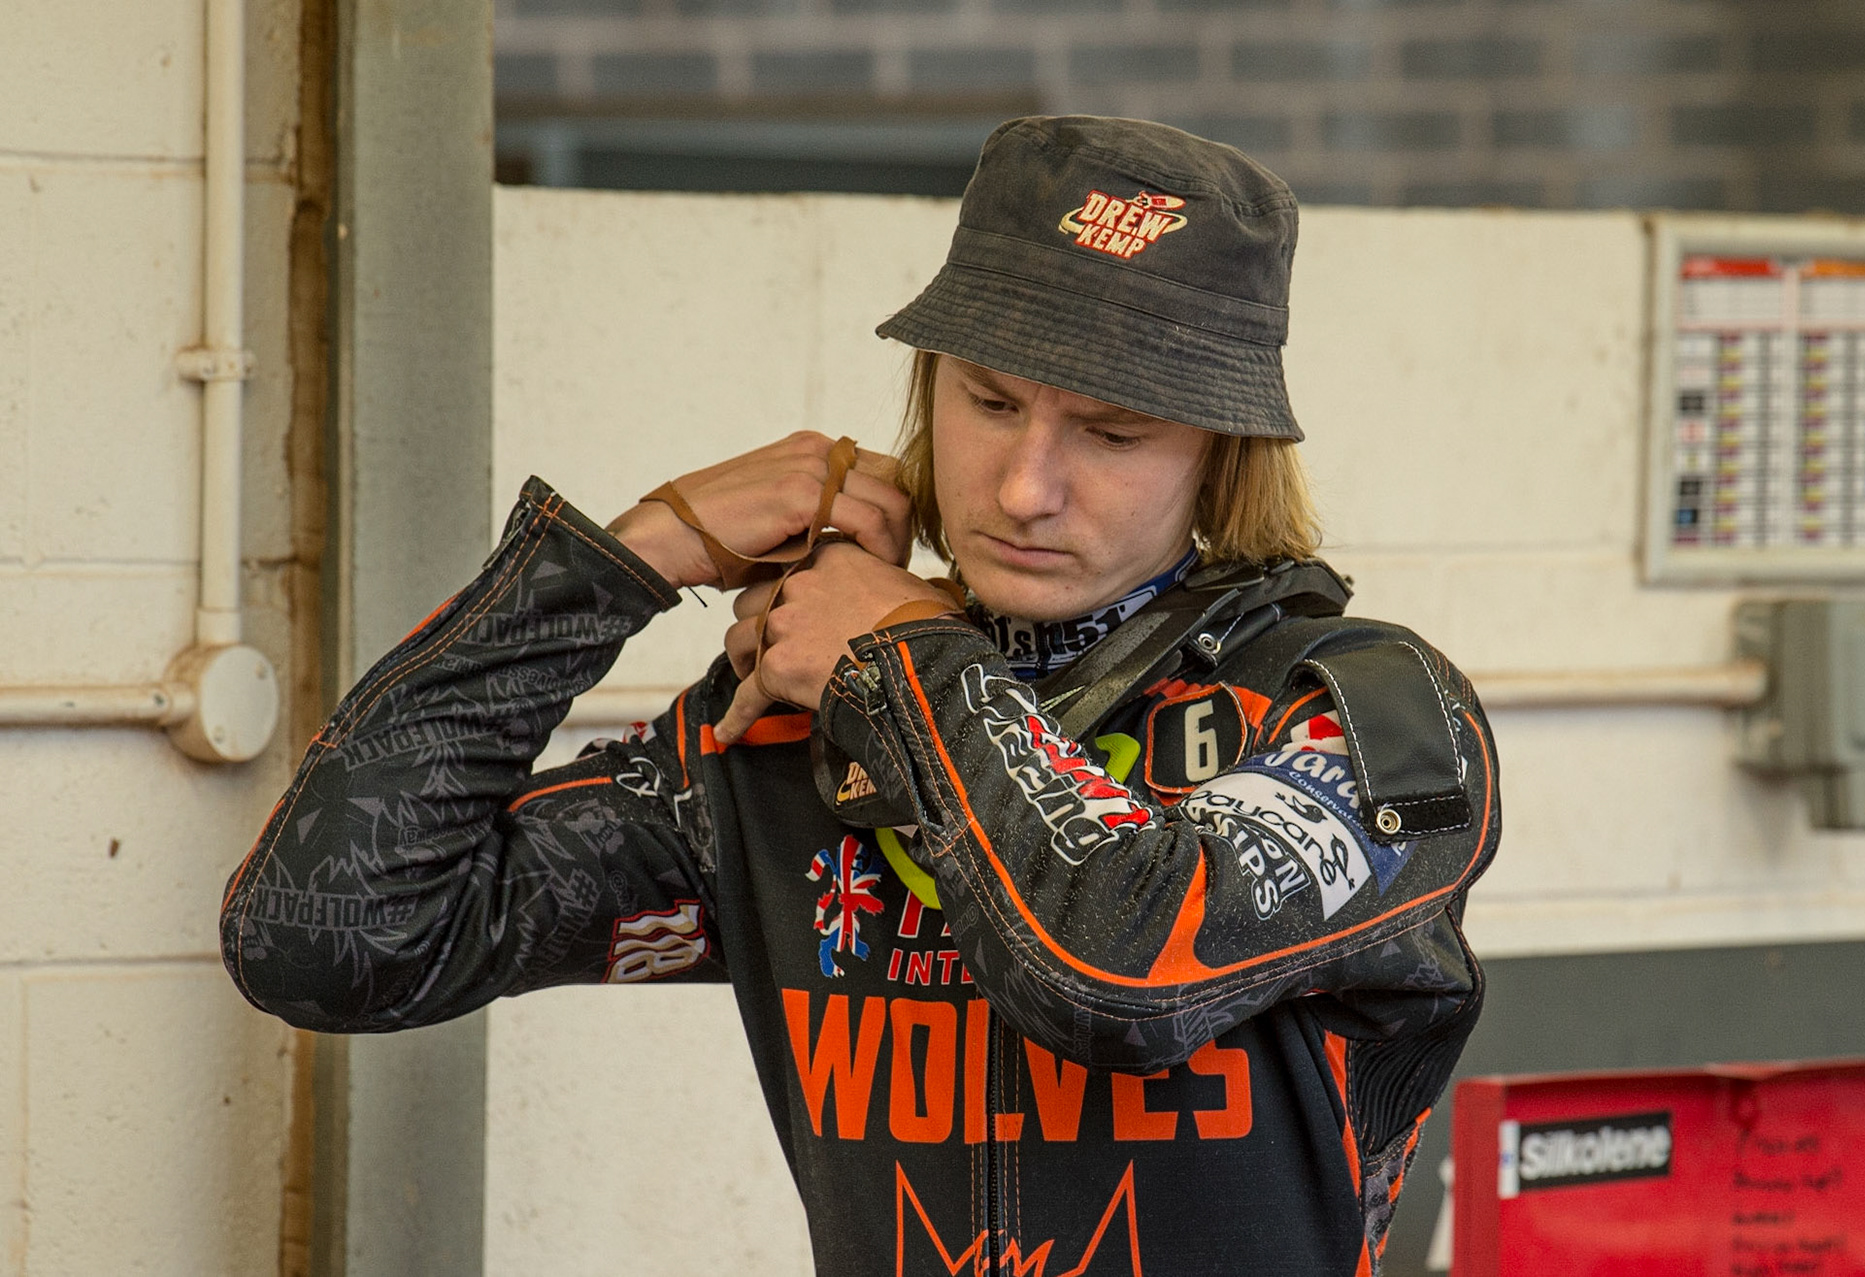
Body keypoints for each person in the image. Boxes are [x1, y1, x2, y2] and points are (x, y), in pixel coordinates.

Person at [221, 115, 1500, 1275]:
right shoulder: (798, 723)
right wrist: (619, 563)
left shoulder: (1358, 709)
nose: (1024, 487)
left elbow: (1119, 974)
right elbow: (333, 937)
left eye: (1112, 432)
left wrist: (901, 653)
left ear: (1225, 455)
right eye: (988, 401)